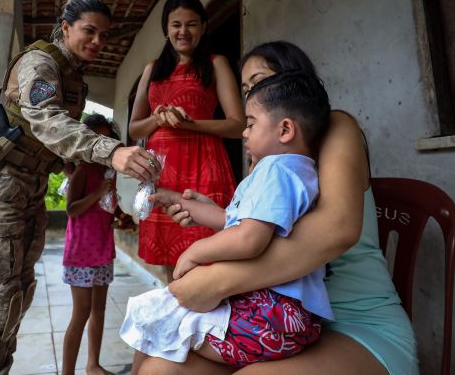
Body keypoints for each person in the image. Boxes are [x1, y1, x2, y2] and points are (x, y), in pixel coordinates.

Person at [140, 41, 419, 375]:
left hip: (354, 322)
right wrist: (223, 215)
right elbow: (261, 229)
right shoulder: (268, 158)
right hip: (274, 320)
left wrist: (214, 280)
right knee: (158, 364)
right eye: (247, 88)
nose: (254, 92)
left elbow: (337, 231)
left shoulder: (336, 127)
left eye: (260, 80)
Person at [0, 0, 160, 375]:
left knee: (20, 289)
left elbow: (56, 141)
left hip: (30, 188)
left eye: (104, 35)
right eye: (89, 31)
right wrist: (110, 151)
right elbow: (49, 122)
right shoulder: (41, 62)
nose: (98, 42)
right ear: (66, 27)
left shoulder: (74, 79)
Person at [121, 70, 334, 370]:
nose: (244, 133)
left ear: (285, 129)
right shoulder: (297, 170)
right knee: (157, 327)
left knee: (154, 322)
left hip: (268, 316)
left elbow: (249, 239)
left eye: (251, 124)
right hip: (285, 319)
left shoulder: (275, 170)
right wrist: (181, 201)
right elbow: (234, 221)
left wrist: (193, 252)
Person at [128, 0, 244, 282]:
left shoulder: (217, 63)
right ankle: (178, 318)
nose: (183, 31)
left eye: (191, 24)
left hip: (203, 167)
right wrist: (157, 119)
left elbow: (237, 124)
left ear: (204, 26)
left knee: (208, 255)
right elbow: (134, 129)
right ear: (166, 29)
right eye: (176, 24)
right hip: (162, 172)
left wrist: (191, 124)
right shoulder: (152, 70)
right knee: (170, 261)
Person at [61, 114, 121, 375]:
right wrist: (98, 194)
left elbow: (107, 209)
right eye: (98, 139)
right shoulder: (83, 171)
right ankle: (67, 372)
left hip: (102, 249)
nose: (103, 145)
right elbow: (72, 210)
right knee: (81, 312)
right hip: (81, 254)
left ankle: (93, 364)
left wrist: (120, 215)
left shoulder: (109, 173)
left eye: (108, 139)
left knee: (99, 308)